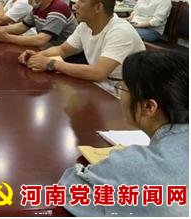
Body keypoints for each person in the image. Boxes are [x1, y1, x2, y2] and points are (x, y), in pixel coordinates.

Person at [59, 50, 188, 216]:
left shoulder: (139, 165)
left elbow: (69, 192)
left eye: (123, 89)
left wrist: (114, 165)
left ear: (148, 107)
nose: (120, 96)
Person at [20, 0, 145, 81]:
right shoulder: (85, 25)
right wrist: (37, 56)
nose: (75, 5)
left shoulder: (120, 32)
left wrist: (51, 63)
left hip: (121, 92)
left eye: (81, 0)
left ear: (98, 7)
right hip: (100, 86)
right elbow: (63, 50)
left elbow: (98, 73)